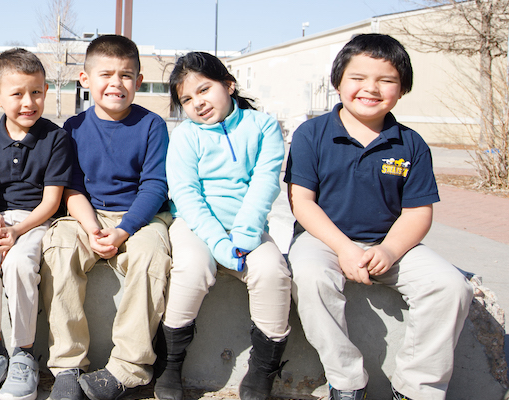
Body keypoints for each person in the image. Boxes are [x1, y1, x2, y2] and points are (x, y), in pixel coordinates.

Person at [286, 34, 472, 400]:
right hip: (324, 240)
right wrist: (343, 249)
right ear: (337, 81)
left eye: (386, 80)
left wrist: (388, 251)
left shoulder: (410, 143)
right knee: (308, 277)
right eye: (357, 78)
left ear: (402, 89)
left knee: (450, 287)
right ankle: (346, 380)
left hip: (391, 244)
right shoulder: (312, 134)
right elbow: (302, 202)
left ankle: (417, 387)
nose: (370, 88)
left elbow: (418, 212)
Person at [40, 34, 172, 400]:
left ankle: (127, 369)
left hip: (139, 217)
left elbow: (155, 187)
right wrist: (94, 228)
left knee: (151, 256)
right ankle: (67, 364)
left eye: (126, 75)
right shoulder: (73, 128)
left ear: (139, 82)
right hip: (87, 215)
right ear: (85, 79)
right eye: (106, 74)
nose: (116, 83)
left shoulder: (152, 126)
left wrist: (124, 231)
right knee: (58, 246)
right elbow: (72, 186)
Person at [155, 51, 291, 400]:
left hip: (248, 226)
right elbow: (185, 194)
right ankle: (170, 364)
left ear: (228, 85)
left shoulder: (263, 126)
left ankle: (262, 370)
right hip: (195, 225)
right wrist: (218, 243)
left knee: (273, 272)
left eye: (204, 90)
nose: (197, 103)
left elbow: (265, 184)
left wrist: (245, 236)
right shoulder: (186, 136)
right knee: (192, 268)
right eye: (186, 99)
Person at [0, 48, 72, 400]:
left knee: (21, 266)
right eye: (18, 94)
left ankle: (24, 354)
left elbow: (52, 202)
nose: (29, 102)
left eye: (36, 92)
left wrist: (18, 231)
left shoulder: (55, 138)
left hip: (35, 222)